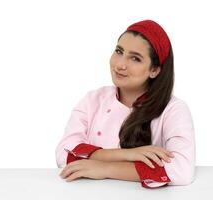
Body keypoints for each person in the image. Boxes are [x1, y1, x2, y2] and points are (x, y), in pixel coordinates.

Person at [56, 19, 195, 188]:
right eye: (119, 51)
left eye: (135, 58)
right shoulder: (92, 100)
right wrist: (129, 155)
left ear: (154, 70)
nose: (120, 64)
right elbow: (64, 154)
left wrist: (105, 169)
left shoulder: (173, 110)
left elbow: (181, 170)